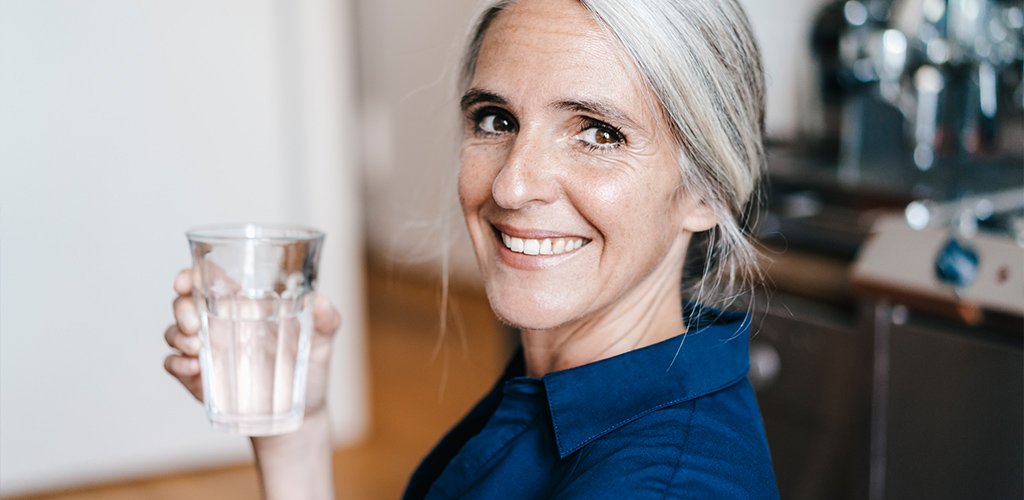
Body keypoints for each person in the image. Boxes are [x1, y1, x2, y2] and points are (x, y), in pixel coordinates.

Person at [164, 0, 779, 498]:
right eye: (496, 121)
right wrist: (293, 433)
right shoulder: (564, 384)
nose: (511, 185)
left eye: (598, 133)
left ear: (707, 190)